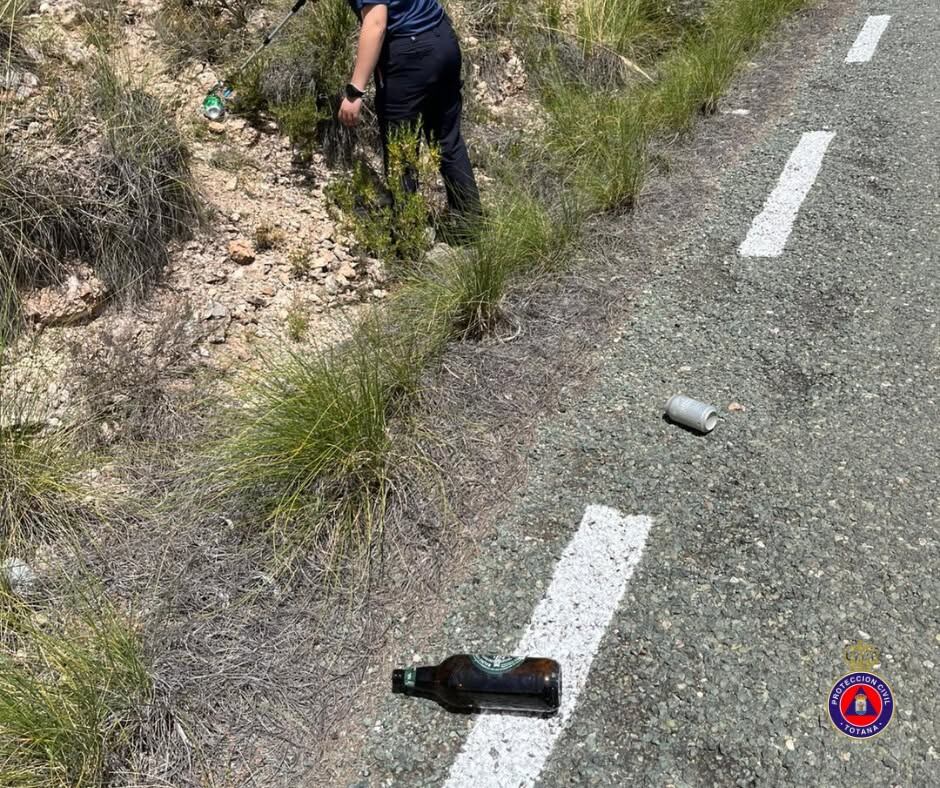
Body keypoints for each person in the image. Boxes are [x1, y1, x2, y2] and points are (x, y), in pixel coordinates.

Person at [338, 0, 481, 238]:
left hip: (408, 53)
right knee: (448, 141)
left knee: (401, 153)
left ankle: (408, 240)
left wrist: (355, 91)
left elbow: (376, 22)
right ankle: (472, 227)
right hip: (441, 38)